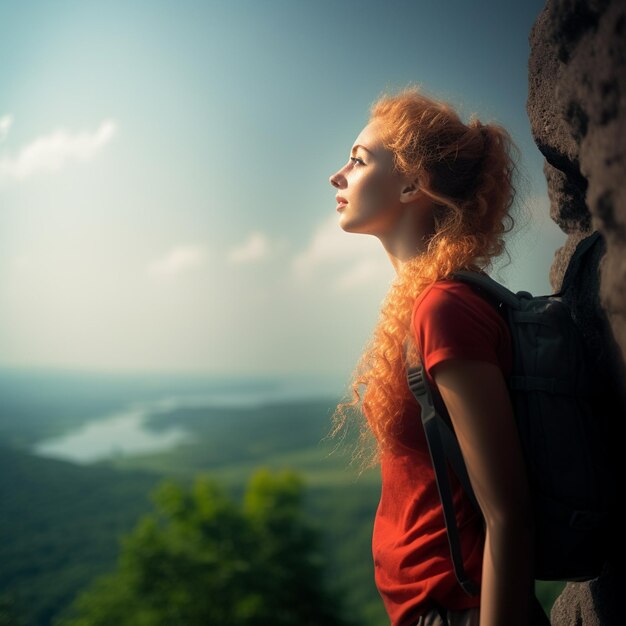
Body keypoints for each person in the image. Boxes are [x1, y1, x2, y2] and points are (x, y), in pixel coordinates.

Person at [328, 86, 544, 626]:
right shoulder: (424, 304)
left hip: (460, 611)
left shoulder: (443, 308)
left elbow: (508, 514)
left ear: (410, 183)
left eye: (358, 161)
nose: (338, 176)